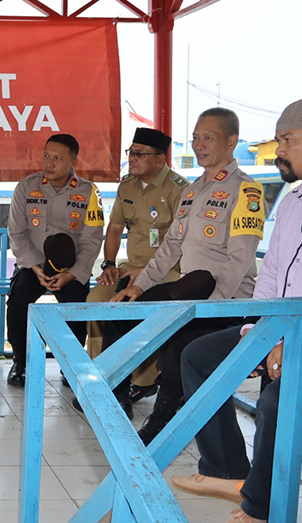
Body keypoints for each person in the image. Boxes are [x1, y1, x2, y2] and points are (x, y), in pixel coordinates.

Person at [173, 98, 302, 523]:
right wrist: (259, 328)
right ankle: (229, 471)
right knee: (198, 357)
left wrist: (295, 343)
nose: (279, 151)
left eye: (288, 140)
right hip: (281, 328)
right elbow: (272, 271)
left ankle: (260, 507)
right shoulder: (292, 200)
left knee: (275, 401)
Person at [108, 107, 264, 445]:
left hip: (227, 297)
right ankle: (115, 395)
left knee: (178, 340)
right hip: (190, 290)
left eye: (208, 137)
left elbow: (239, 259)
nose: (199, 144)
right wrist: (138, 286)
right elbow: (169, 247)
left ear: (232, 141)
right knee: (124, 312)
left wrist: (213, 306)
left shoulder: (246, 191)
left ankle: (163, 418)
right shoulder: (192, 191)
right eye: (195, 137)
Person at [84, 128, 188, 416]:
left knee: (131, 311)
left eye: (140, 154)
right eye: (131, 152)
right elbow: (115, 228)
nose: (132, 158)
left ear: (159, 159)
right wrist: (109, 264)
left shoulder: (180, 190)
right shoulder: (127, 186)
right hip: (130, 270)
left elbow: (181, 244)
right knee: (95, 303)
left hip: (168, 272)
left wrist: (148, 270)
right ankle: (99, 376)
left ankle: (140, 380)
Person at [5, 133, 105, 386]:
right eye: (46, 156)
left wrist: (73, 273)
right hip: (33, 265)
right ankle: (20, 361)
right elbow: (16, 232)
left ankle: (69, 364)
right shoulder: (26, 187)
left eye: (57, 158)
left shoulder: (89, 192)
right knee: (18, 301)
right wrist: (35, 268)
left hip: (69, 269)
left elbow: (92, 239)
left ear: (73, 162)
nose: (49, 163)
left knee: (76, 305)